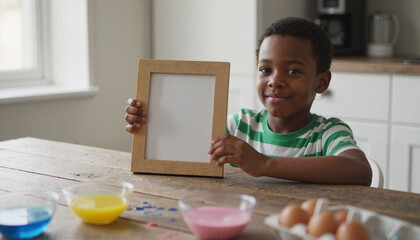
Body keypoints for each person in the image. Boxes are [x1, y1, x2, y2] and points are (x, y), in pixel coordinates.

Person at [125, 17, 372, 186]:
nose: (275, 81)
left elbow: (360, 171)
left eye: (294, 71)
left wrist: (264, 164)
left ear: (321, 82)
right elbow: (185, 144)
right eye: (266, 70)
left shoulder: (326, 133)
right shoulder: (239, 126)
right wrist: (152, 119)